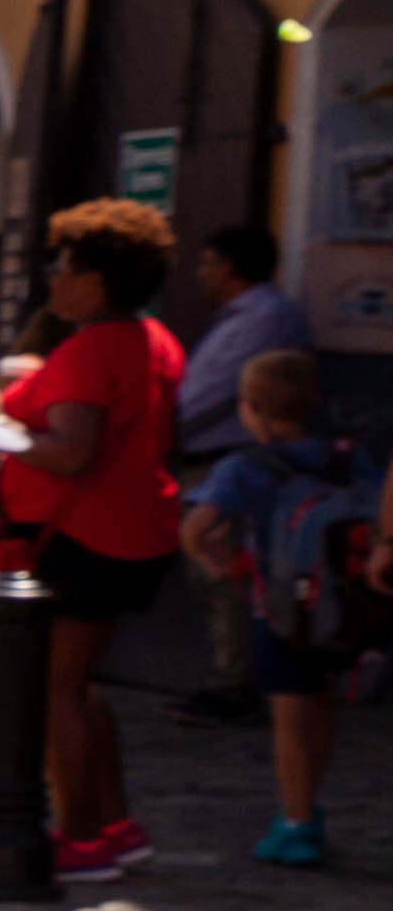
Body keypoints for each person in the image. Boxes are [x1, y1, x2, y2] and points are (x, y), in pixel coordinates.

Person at [0, 198, 194, 879]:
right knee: (79, 684)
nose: (53, 280)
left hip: (82, 533)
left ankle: (80, 837)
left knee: (56, 691)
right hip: (134, 527)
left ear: (98, 279)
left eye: (64, 267)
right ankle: (114, 822)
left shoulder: (90, 347)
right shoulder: (155, 340)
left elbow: (71, 450)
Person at [180, 344, 374, 868]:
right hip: (337, 606)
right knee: (321, 705)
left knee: (287, 716)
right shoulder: (344, 456)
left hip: (279, 609)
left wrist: (216, 560)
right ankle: (310, 802)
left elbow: (196, 527)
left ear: (250, 408)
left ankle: (295, 820)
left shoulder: (245, 466)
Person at [173, 223, 308, 720]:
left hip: (232, 459)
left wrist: (163, 431)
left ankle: (237, 681)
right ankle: (230, 673)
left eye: (207, 261)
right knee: (214, 572)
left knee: (225, 570)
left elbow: (213, 393)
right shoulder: (237, 317)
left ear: (228, 265)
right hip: (213, 457)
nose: (201, 272)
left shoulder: (264, 316)